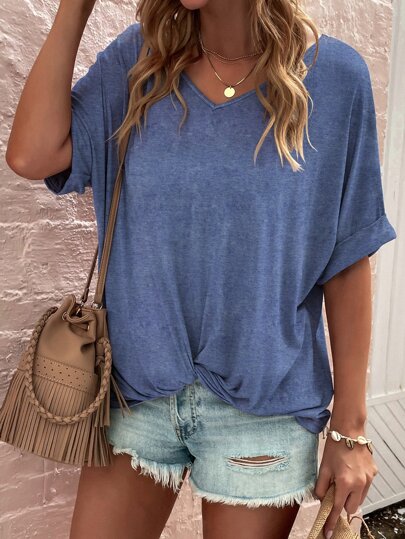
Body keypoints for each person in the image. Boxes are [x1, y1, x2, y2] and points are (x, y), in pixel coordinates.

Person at [6, 0, 397, 538]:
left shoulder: (335, 78)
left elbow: (348, 258)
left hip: (263, 409)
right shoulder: (139, 63)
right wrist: (75, 8)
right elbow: (32, 155)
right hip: (136, 393)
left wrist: (350, 430)